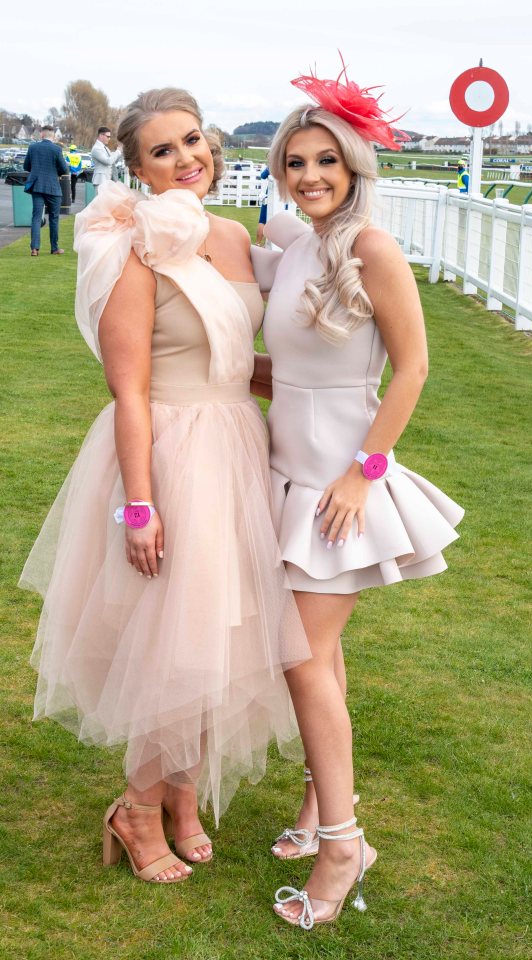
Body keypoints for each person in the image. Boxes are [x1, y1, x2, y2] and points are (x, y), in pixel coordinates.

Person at [19, 87, 310, 885]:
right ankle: (137, 809)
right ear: (138, 167)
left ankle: (183, 798)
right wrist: (140, 505)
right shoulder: (133, 245)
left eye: (194, 141)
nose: (187, 160)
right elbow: (132, 389)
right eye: (163, 151)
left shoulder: (233, 233)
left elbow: (235, 361)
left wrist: (319, 391)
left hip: (237, 448)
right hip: (170, 454)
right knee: (174, 642)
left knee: (224, 632)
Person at [250, 60, 464, 929]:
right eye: (295, 163)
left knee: (301, 658)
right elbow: (283, 372)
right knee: (319, 657)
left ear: (354, 168)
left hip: (346, 482)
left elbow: (412, 368)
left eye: (325, 163)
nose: (309, 178)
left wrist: (362, 473)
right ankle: (317, 806)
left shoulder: (372, 247)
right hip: (286, 469)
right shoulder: (291, 241)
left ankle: (344, 843)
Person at [23, 124, 67, 256]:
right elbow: (64, 169)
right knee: (54, 217)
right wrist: (55, 173)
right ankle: (54, 248)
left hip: (37, 186)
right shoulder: (57, 149)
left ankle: (34, 248)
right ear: (53, 136)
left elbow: (26, 166)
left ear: (41, 134)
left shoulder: (33, 147)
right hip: (53, 186)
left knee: (36, 217)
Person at [91, 126, 122, 191]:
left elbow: (113, 162)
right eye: (108, 136)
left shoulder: (105, 148)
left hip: (107, 180)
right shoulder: (96, 148)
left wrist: (119, 151)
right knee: (101, 201)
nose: (109, 139)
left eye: (109, 137)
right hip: (100, 180)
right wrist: (117, 152)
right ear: (101, 135)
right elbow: (108, 161)